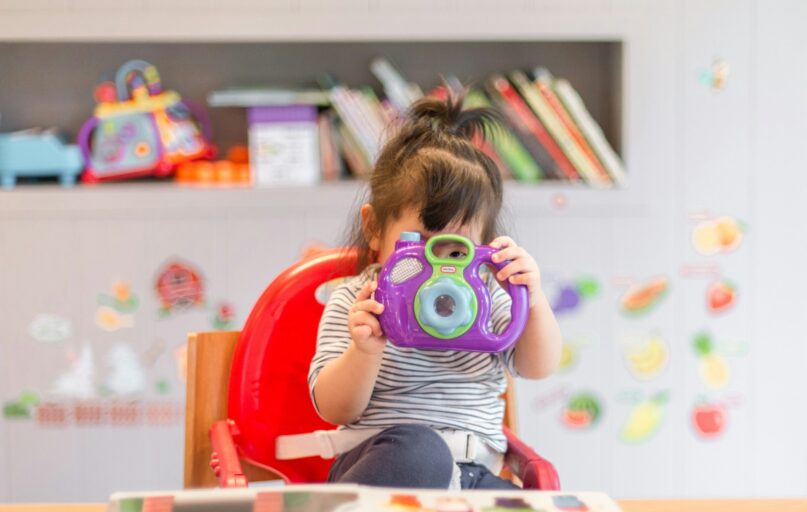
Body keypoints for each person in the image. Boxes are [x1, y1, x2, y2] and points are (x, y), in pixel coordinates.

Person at [307, 90, 562, 489]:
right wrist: (364, 351)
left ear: (483, 246)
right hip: (387, 466)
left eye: (455, 249)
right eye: (422, 242)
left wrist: (532, 297)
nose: (438, 266)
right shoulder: (359, 301)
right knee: (421, 452)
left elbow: (538, 366)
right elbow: (333, 407)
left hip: (474, 474)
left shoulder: (487, 298)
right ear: (375, 229)